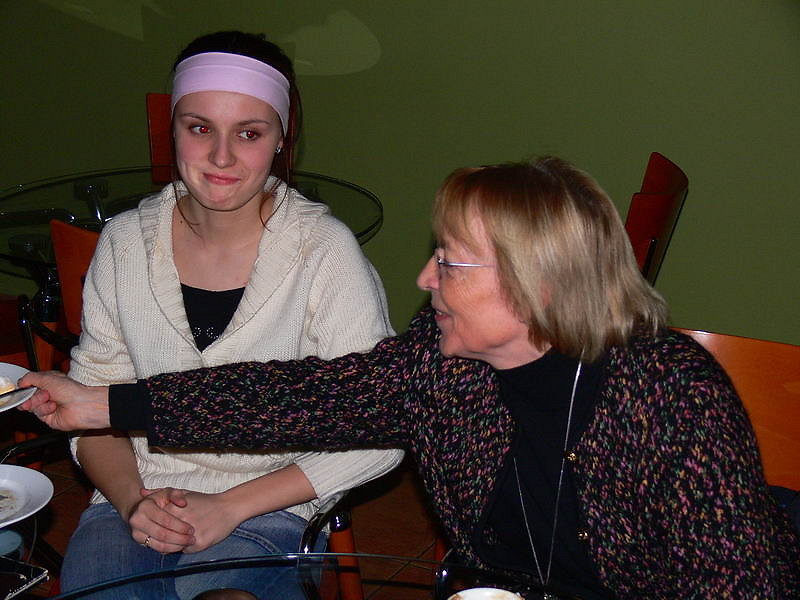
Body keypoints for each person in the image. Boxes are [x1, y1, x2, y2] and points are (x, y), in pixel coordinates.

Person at [22, 157, 799, 598]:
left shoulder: (671, 398)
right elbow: (298, 396)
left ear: (539, 287)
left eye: (450, 262)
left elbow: (740, 588)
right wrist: (103, 403)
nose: (425, 279)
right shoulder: (444, 362)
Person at [44, 30, 402, 599]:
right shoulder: (124, 243)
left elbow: (381, 428)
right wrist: (134, 500)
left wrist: (230, 506)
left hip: (268, 508)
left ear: (282, 139)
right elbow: (96, 408)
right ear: (173, 130)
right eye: (200, 128)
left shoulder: (323, 253)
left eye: (249, 133)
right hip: (133, 497)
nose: (221, 156)